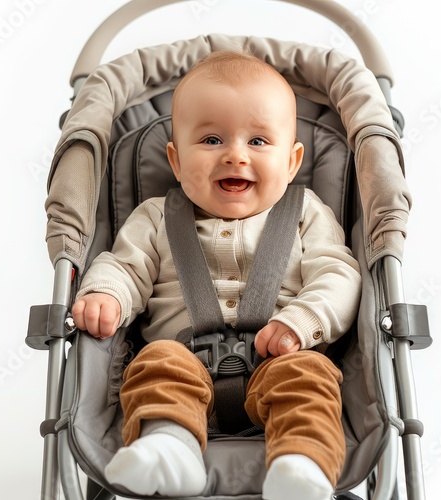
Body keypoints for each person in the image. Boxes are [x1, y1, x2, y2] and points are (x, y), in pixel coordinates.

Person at [72, 50, 362, 500]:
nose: (235, 156)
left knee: (310, 375)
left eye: (259, 142)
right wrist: (106, 294)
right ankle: (171, 446)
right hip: (184, 364)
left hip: (281, 359)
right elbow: (126, 266)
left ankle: (301, 463)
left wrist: (302, 322)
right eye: (210, 140)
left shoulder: (305, 213)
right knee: (154, 364)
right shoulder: (156, 217)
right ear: (175, 159)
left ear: (292, 161)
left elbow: (339, 274)